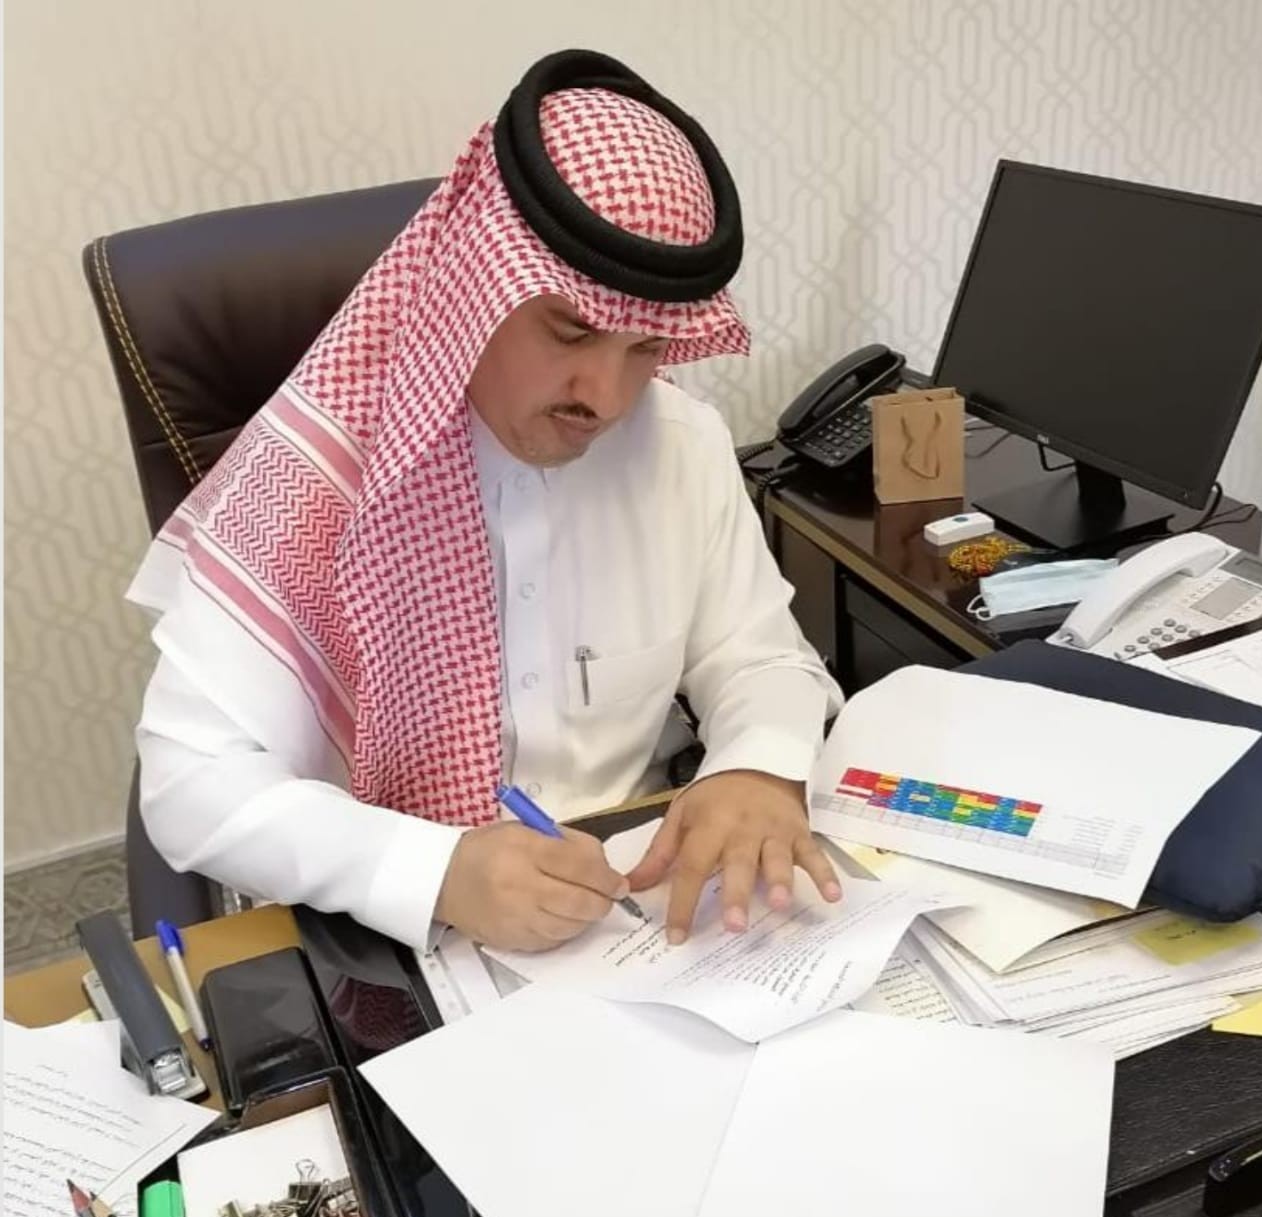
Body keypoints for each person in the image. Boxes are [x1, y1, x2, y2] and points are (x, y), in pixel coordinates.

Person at [130, 49, 844, 955]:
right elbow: (191, 781)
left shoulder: (680, 444)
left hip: (636, 927)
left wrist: (757, 767)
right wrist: (436, 869)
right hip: (390, 937)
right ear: (475, 284)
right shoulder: (312, 481)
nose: (606, 398)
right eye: (570, 331)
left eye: (645, 349)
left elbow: (761, 658)